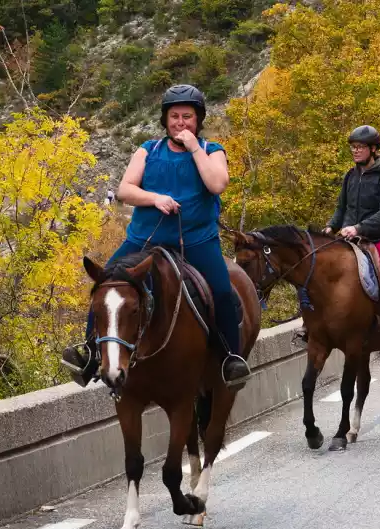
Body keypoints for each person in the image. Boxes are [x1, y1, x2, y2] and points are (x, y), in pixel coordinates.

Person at [59, 84, 249, 390]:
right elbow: (125, 190)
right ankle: (91, 355)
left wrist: (194, 148)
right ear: (165, 119)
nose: (180, 122)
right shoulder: (148, 149)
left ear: (198, 119)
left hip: (196, 239)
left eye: (187, 116)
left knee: (222, 291)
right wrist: (155, 198)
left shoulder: (212, 150)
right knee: (106, 284)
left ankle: (231, 358)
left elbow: (217, 184)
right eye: (174, 116)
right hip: (145, 238)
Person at [325, 125, 380, 350]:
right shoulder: (350, 175)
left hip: (379, 237)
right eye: (353, 147)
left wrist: (358, 227)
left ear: (373, 149)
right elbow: (341, 207)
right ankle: (312, 324)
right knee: (319, 268)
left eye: (360, 147)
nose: (355, 151)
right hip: (348, 237)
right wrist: (331, 226)